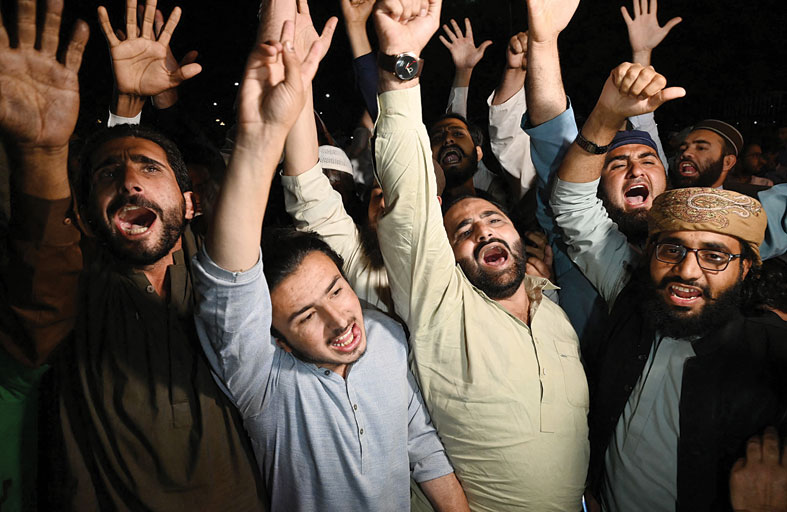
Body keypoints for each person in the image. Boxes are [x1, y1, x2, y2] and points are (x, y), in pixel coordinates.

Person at [190, 10, 468, 510]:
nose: (340, 321)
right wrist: (261, 141)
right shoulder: (265, 386)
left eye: (337, 290)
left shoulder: (387, 334)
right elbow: (231, 281)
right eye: (304, 316)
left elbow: (420, 442)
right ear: (276, 339)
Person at [0, 0, 267, 508]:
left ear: (191, 203)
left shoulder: (221, 273)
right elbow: (41, 275)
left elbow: (228, 173)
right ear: (85, 216)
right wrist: (42, 155)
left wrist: (152, 104)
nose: (129, 182)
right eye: (108, 175)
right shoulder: (78, 285)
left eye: (150, 168)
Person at [371, 0, 590, 509]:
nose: (483, 230)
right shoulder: (443, 309)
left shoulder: (555, 313)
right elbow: (410, 200)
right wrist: (401, 66)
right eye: (463, 230)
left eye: (494, 219)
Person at [551, 62, 787, 511]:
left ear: (746, 270)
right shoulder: (633, 297)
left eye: (714, 256)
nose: (688, 271)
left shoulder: (771, 358)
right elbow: (573, 205)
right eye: (672, 249)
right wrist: (606, 115)